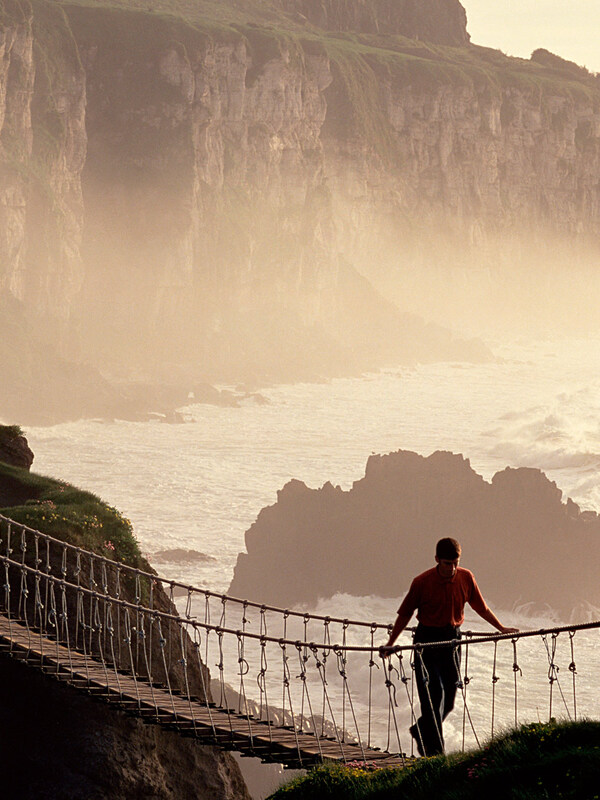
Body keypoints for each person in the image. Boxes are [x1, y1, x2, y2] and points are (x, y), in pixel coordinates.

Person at [379, 537, 518, 757]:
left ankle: (421, 729)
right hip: (426, 641)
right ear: (437, 560)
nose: (452, 568)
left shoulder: (466, 577)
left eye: (456, 562)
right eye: (447, 563)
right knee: (433, 696)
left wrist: (501, 628)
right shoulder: (421, 582)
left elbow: (480, 608)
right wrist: (390, 644)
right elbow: (405, 613)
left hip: (452, 641)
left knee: (450, 699)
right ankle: (436, 756)